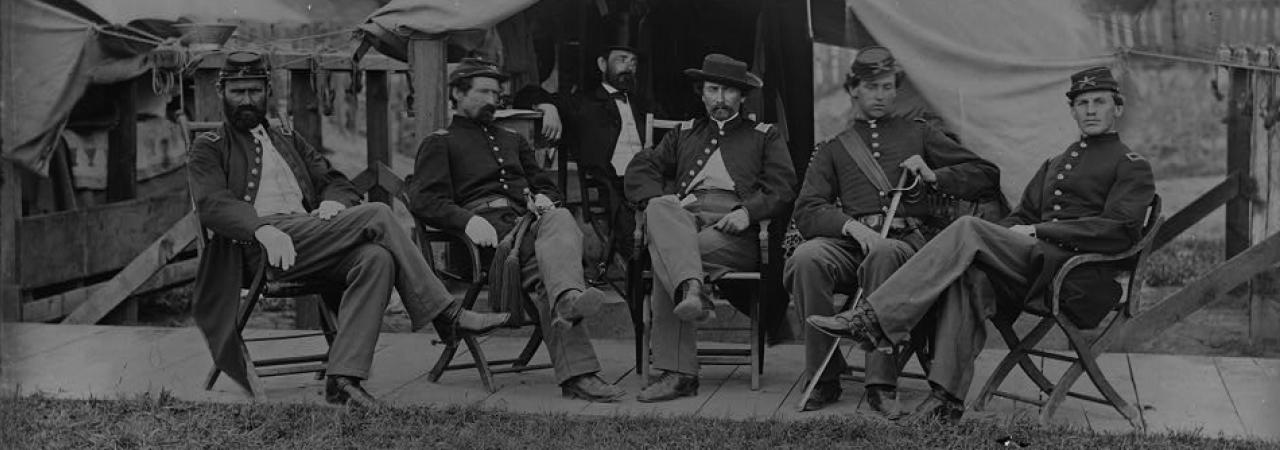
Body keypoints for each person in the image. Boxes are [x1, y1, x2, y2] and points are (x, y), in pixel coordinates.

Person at [807, 66, 1156, 423]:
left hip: (1075, 276)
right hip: (1033, 267)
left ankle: (872, 318)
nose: (1091, 110)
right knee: (968, 276)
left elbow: (1121, 228)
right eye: (1082, 103)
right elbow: (1020, 218)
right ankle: (946, 401)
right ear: (1072, 111)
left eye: (1100, 102)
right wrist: (1006, 235)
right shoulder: (1057, 163)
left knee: (969, 228)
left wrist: (1037, 232)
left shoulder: (1131, 165)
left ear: (1119, 107)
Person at [188, 51, 509, 409]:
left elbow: (335, 180)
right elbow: (212, 204)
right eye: (237, 92)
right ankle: (447, 315)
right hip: (254, 250)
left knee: (376, 259)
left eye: (254, 90)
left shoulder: (288, 139)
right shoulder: (209, 147)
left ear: (268, 91)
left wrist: (334, 202)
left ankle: (343, 379)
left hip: (307, 239)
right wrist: (261, 229)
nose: (246, 100)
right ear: (223, 94)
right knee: (377, 214)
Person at [785, 46, 1001, 413]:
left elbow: (986, 176)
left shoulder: (919, 134)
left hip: (907, 245)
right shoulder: (833, 149)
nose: (881, 95)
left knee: (883, 252)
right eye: (872, 87)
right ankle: (823, 376)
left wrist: (935, 174)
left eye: (887, 87)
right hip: (854, 243)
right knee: (806, 258)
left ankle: (881, 382)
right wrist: (852, 227)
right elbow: (808, 210)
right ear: (853, 89)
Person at [407, 58, 626, 402]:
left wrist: (543, 198)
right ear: (458, 95)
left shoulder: (512, 139)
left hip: (529, 225)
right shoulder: (441, 142)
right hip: (484, 240)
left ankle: (569, 308)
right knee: (545, 266)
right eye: (483, 92)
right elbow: (423, 200)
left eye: (496, 92)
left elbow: (546, 187)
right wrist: (466, 220)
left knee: (559, 218)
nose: (493, 99)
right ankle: (576, 357)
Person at [624, 53, 797, 402]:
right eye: (712, 90)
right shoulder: (683, 134)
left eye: (728, 91)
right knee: (660, 207)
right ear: (701, 93)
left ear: (742, 96)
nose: (719, 99)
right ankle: (692, 289)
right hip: (683, 218)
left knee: (666, 258)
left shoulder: (764, 136)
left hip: (735, 230)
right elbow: (642, 171)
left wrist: (749, 212)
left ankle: (680, 373)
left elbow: (783, 186)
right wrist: (666, 206)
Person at [517, 42, 653, 267]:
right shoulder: (583, 103)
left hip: (648, 178)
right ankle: (640, 270)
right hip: (610, 181)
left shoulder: (644, 105)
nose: (629, 66)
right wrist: (547, 106)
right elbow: (526, 93)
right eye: (622, 59)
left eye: (633, 62)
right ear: (602, 64)